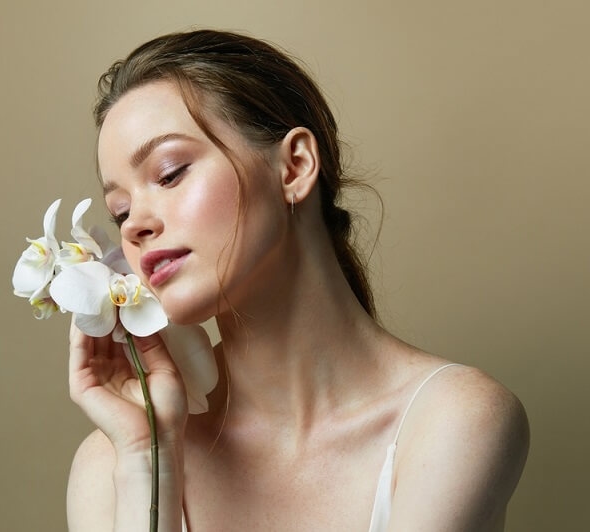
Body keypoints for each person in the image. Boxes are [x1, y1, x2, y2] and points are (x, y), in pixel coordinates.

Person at [66, 29, 529, 531]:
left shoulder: (451, 421)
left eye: (171, 172)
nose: (134, 225)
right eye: (120, 210)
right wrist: (146, 459)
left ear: (294, 166)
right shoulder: (108, 467)